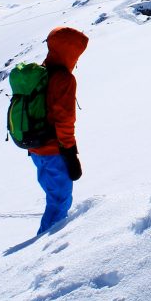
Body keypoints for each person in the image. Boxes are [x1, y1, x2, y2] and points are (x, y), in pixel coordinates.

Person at [28, 26, 89, 235]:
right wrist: (70, 154)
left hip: (36, 148)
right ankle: (39, 252)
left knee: (54, 197)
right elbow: (64, 120)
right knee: (59, 202)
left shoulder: (41, 72)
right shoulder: (63, 79)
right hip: (54, 150)